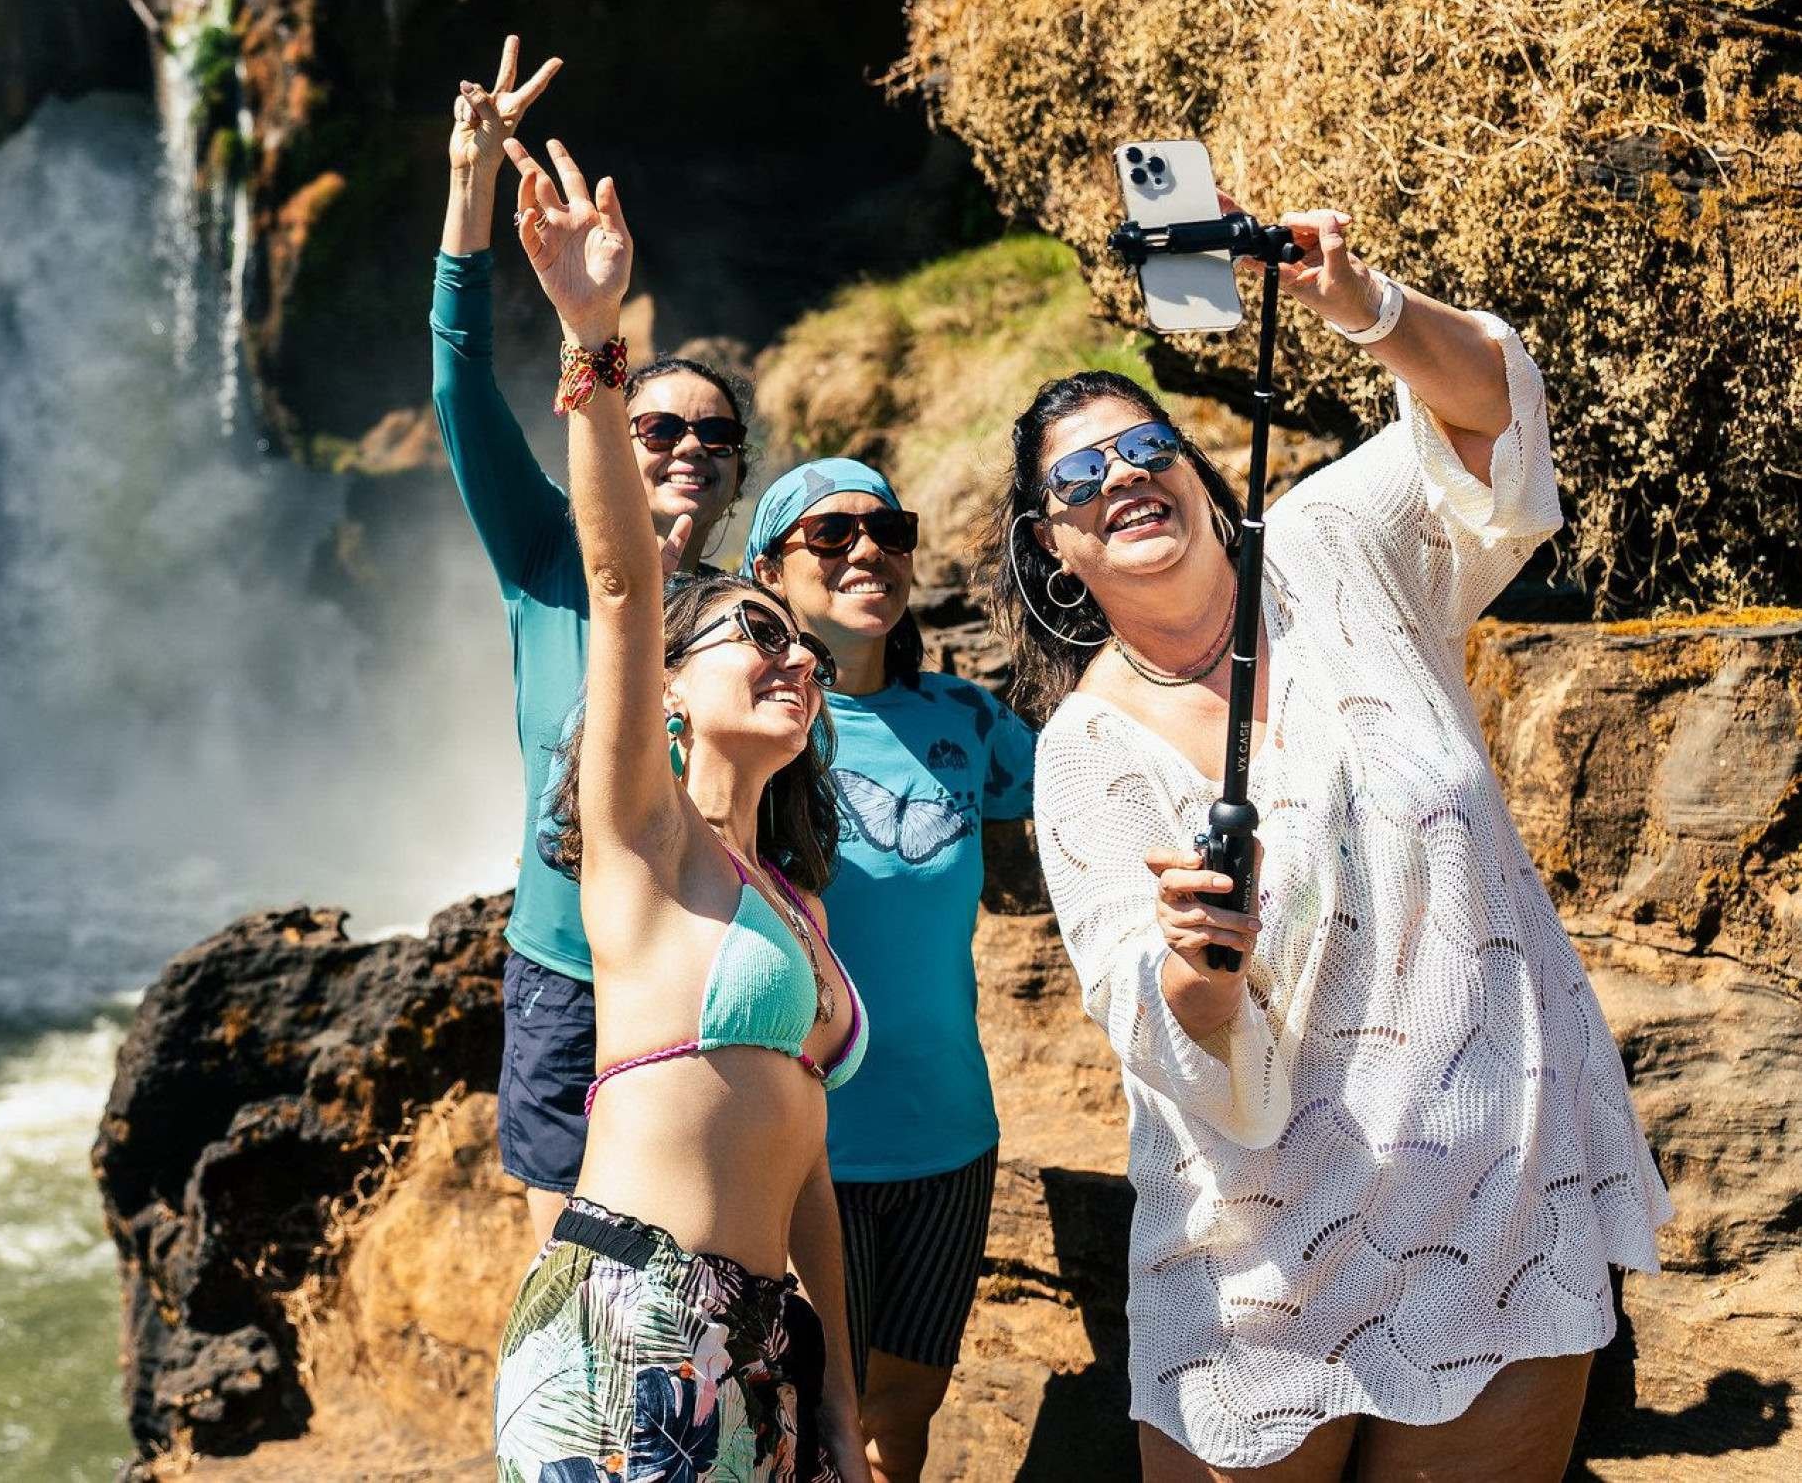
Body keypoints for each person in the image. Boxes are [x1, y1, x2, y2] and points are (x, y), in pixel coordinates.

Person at [984, 210, 1671, 1480]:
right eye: (1076, 481)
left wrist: (1366, 305)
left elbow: (1496, 413)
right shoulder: (1084, 752)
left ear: (1196, 468)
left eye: (1144, 449)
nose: (1119, 478)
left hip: (1497, 1195)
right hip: (1258, 1252)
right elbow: (1149, 1007)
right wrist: (1199, 963)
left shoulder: (1331, 550)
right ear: (1053, 549)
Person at [490, 136, 869, 1483]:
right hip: (632, 1318)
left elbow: (807, 1162)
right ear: (662, 691)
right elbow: (612, 582)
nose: (794, 657)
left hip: (765, 1342)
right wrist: (589, 343)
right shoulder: (643, 847)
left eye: (800, 645)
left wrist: (836, 1389)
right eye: (752, 634)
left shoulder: (790, 897)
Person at [432, 37, 754, 1245]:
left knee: (700, 1249)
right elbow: (461, 385)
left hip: (706, 969)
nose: (679, 447)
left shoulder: (746, 616)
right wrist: (468, 186)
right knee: (569, 1259)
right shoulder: (545, 562)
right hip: (567, 972)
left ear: (734, 475)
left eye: (709, 438)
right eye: (654, 423)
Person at [743, 459, 1032, 1483]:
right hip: (810, 1151)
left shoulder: (967, 720)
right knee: (818, 1424)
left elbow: (1097, 779)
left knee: (902, 1419)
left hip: (950, 1134)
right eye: (828, 535)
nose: (866, 549)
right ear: (767, 572)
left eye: (887, 529)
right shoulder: (759, 730)